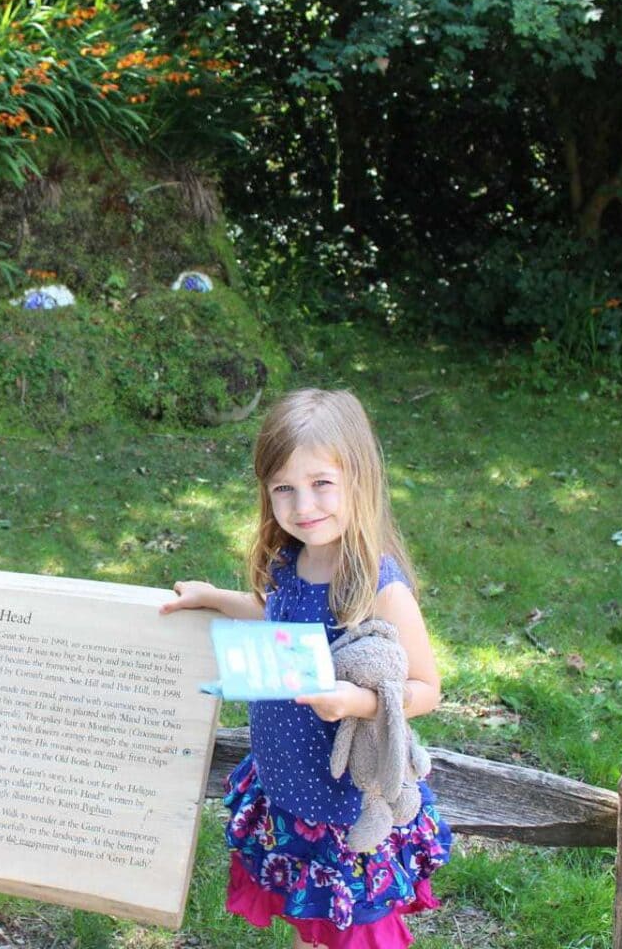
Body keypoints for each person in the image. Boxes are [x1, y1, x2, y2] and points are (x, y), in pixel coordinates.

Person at [160, 387, 451, 949]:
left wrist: (357, 702)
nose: (303, 507)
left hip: (342, 798)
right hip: (288, 782)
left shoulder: (375, 582)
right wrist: (217, 597)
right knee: (311, 919)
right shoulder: (291, 561)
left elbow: (427, 689)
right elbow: (278, 617)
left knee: (349, 929)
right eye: (284, 490)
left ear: (357, 479)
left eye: (322, 485)